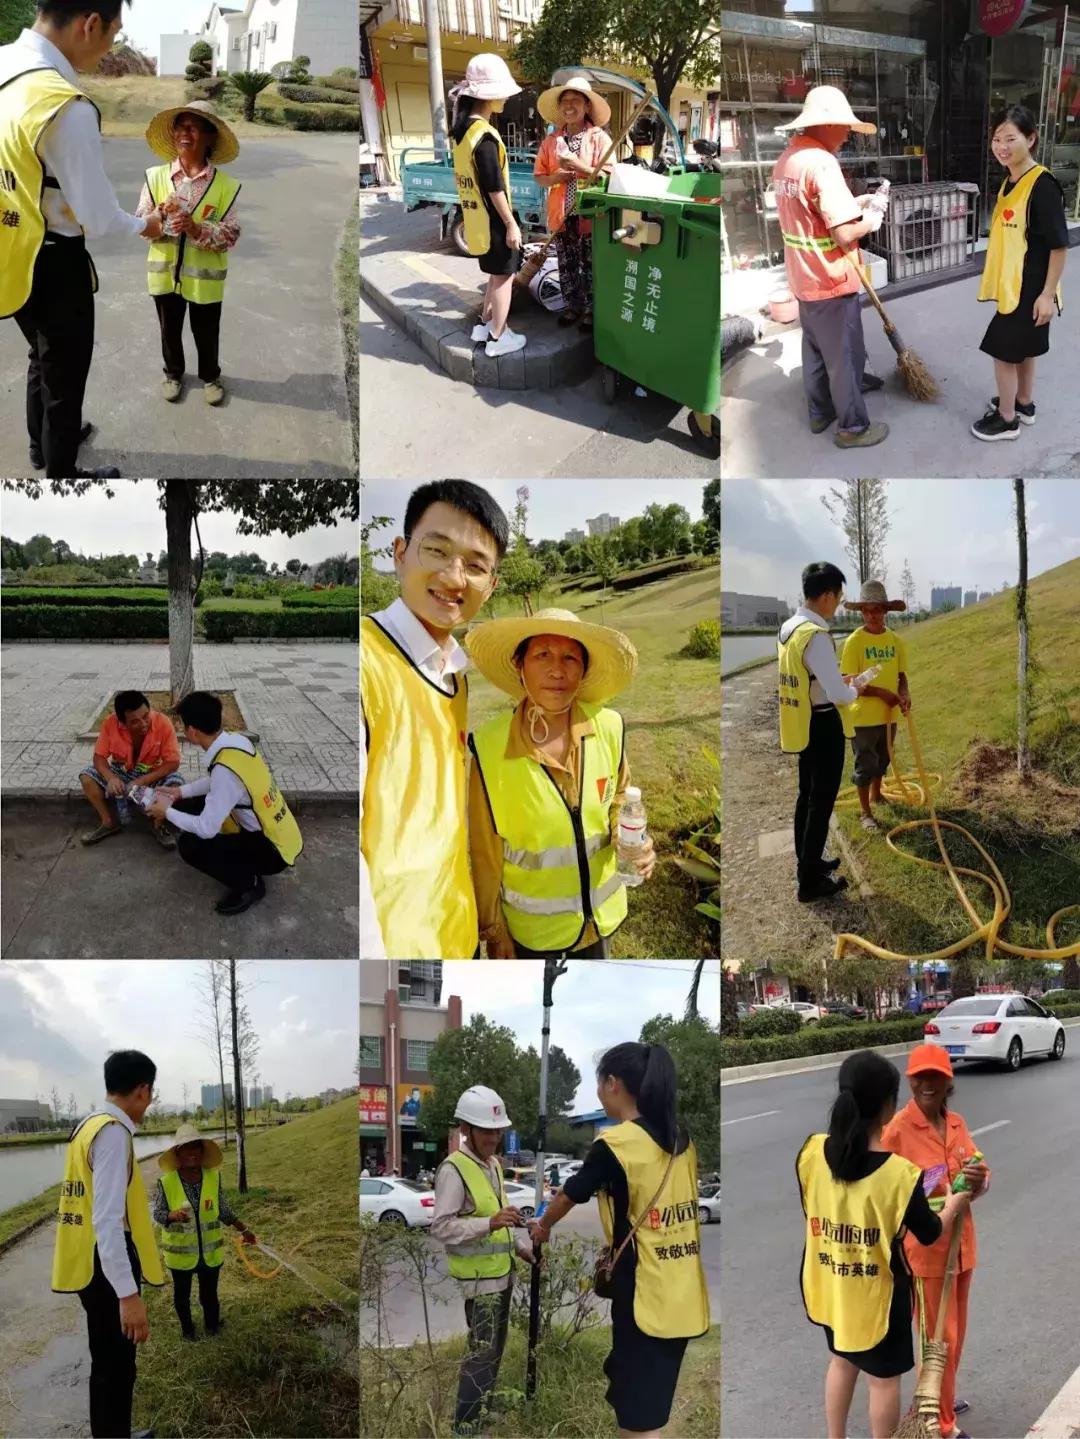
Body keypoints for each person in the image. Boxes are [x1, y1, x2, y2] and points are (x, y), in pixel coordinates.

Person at [0, 0, 166, 480]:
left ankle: (43, 444)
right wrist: (147, 225)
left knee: (41, 354)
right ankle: (61, 470)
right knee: (65, 378)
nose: (111, 46)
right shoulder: (63, 105)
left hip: (10, 246)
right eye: (114, 32)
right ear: (90, 24)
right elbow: (97, 216)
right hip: (53, 265)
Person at [528, 1043, 710, 1439]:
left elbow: (570, 1193)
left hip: (643, 1295)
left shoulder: (617, 1144)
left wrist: (541, 1226)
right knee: (649, 1404)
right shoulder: (683, 1140)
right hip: (682, 1290)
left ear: (613, 1084)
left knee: (640, 1419)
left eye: (599, 1083)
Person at [361, 479, 509, 959]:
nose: (453, 576)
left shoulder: (454, 675)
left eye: (475, 565)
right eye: (437, 551)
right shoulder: (364, 664)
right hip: (396, 941)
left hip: (456, 931)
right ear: (400, 553)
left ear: (493, 585)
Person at [797, 1050, 974, 1439]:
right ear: (888, 1104)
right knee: (883, 1379)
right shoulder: (898, 1174)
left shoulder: (812, 1152)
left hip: (833, 1285)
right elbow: (930, 1231)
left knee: (842, 1361)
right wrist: (956, 1202)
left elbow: (811, 1208)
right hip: (879, 1292)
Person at [465, 608, 653, 959]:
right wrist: (494, 929)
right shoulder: (489, 748)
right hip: (532, 934)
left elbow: (619, 800)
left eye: (570, 657)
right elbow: (484, 853)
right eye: (542, 655)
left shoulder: (609, 727)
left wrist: (633, 839)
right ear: (520, 667)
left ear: (583, 671)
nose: (557, 669)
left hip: (601, 922)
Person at [51, 1049, 165, 1439]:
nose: (149, 1103)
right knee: (117, 1367)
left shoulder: (87, 1126)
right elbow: (107, 1221)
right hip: (106, 1269)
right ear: (142, 1090)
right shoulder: (113, 1134)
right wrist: (129, 1295)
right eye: (151, 1094)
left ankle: (112, 1432)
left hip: (89, 1265)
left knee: (107, 1363)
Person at [772, 86, 890, 449]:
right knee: (842, 353)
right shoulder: (823, 163)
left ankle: (820, 409)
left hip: (804, 277)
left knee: (816, 348)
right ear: (826, 124)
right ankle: (852, 426)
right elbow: (841, 232)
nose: (847, 134)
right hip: (830, 275)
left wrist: (856, 201)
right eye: (844, 127)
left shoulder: (789, 159)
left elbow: (813, 214)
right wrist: (870, 219)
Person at [882, 1046, 990, 1439]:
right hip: (926, 1254)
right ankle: (942, 1424)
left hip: (962, 1248)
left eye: (936, 1077)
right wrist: (937, 1194)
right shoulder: (897, 1130)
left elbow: (980, 1169)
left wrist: (978, 1180)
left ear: (949, 1082)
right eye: (920, 1077)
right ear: (910, 1081)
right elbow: (888, 1194)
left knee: (955, 1335)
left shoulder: (957, 1124)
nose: (928, 1084)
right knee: (938, 1337)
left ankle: (942, 1398)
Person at [431, 1085, 535, 1437]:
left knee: (492, 1353)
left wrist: (521, 1248)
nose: (494, 1137)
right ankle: (465, 1428)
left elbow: (500, 1220)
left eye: (497, 1130)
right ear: (466, 1129)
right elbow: (442, 1227)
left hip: (502, 1276)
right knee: (481, 1356)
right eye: (486, 1130)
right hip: (479, 1282)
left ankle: (480, 1415)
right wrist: (488, 1223)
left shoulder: (492, 1165)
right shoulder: (453, 1170)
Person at [145, 690, 302, 915]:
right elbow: (218, 782)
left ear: (192, 731)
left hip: (270, 850)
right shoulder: (237, 741)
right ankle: (244, 864)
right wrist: (178, 792)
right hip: (280, 832)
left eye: (181, 724)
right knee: (188, 805)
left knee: (190, 845)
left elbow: (207, 828)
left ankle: (250, 885)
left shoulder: (224, 770)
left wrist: (166, 811)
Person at [972, 104, 1068, 442]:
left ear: (1031, 138)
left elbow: (1059, 246)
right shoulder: (1012, 180)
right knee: (1024, 349)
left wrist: (1046, 295)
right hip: (1018, 285)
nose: (1001, 146)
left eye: (1010, 138)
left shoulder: (1042, 186)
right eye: (997, 139)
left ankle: (1007, 419)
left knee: (1002, 352)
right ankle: (1023, 403)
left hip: (1031, 289)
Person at [137, 100, 242, 406]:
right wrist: (158, 215)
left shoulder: (225, 186)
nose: (185, 132)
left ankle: (210, 376)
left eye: (193, 127)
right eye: (180, 126)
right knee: (169, 329)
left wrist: (197, 230)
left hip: (204, 280)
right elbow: (141, 223)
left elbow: (232, 233)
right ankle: (173, 373)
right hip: (165, 273)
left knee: (206, 330)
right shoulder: (155, 177)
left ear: (209, 136)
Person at [778, 562, 868, 903]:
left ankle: (808, 861)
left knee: (807, 795)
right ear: (827, 595)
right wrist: (855, 687)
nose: (838, 603)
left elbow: (813, 678)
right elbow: (838, 694)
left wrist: (835, 682)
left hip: (803, 722)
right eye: (839, 596)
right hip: (823, 724)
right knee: (821, 802)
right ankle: (809, 881)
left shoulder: (790, 628)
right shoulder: (815, 636)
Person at [450, 54, 528, 359]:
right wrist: (511, 223)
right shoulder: (485, 136)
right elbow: (494, 187)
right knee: (504, 278)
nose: (507, 98)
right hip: (495, 221)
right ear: (489, 95)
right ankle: (498, 336)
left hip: (477, 221)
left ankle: (485, 324)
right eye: (503, 92)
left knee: (495, 276)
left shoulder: (463, 133)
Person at [152, 1124, 255, 1340]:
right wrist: (171, 1215)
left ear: (202, 1151)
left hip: (210, 1254)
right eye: (186, 1148)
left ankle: (212, 1326)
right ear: (178, 1153)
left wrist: (244, 1229)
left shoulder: (212, 1178)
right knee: (182, 1296)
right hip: (180, 1256)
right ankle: (188, 1331)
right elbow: (158, 1213)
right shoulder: (166, 1182)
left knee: (209, 1295)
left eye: (196, 1147)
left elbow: (223, 1211)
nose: (192, 1152)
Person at [532, 77, 613, 331]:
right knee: (566, 264)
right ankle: (572, 306)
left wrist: (579, 167)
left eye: (575, 100)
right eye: (564, 101)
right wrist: (557, 177)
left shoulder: (599, 139)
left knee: (590, 265)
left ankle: (591, 310)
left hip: (590, 215)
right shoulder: (550, 141)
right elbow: (540, 177)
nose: (569, 106)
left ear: (587, 106)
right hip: (561, 216)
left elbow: (608, 177)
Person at [839, 581, 911, 832]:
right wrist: (881, 693)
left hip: (889, 716)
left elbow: (902, 676)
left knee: (883, 759)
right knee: (865, 764)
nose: (871, 616)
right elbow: (850, 681)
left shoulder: (895, 641)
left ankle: (877, 795)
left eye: (876, 610)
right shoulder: (854, 642)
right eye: (866, 611)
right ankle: (865, 812)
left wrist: (904, 694)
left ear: (885, 611)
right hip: (863, 718)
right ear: (861, 613)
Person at [79, 688, 185, 848]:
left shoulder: (163, 722)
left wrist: (142, 780)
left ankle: (157, 825)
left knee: (176, 784)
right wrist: (111, 778)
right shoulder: (110, 723)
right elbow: (99, 758)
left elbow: (173, 763)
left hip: (151, 775)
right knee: (86, 777)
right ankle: (108, 823)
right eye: (135, 721)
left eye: (145, 716)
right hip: (121, 773)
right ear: (122, 722)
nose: (143, 724)